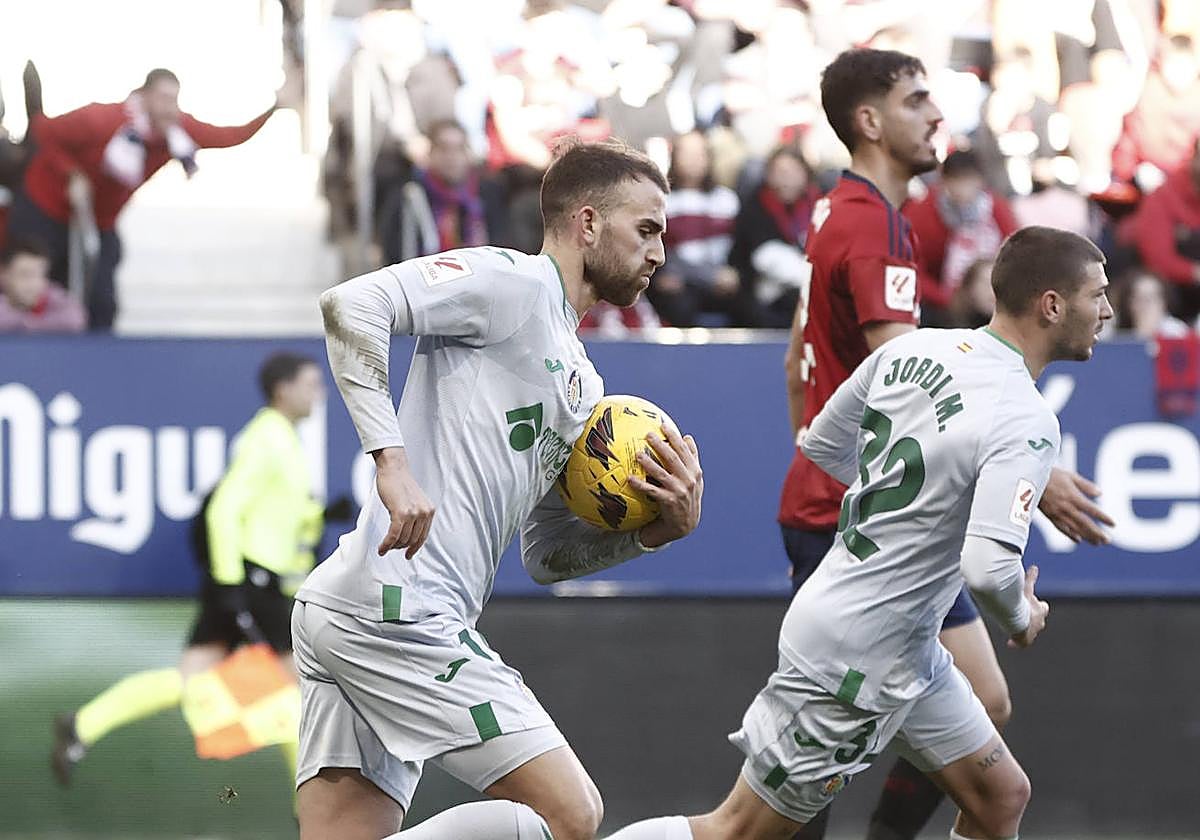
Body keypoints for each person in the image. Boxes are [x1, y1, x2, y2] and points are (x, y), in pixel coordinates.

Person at [607, 225, 1114, 840]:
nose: (1108, 310)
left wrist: (915, 503)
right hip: (855, 659)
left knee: (1000, 797)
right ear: (1052, 305)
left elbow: (821, 442)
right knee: (734, 831)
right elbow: (988, 568)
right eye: (1098, 294)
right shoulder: (1027, 417)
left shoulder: (914, 350)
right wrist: (1020, 617)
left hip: (905, 647)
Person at [294, 137, 704, 840]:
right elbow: (353, 305)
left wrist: (647, 534)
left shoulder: (583, 384)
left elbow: (546, 557)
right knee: (571, 815)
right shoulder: (510, 282)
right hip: (399, 609)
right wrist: (390, 462)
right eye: (647, 229)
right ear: (587, 223)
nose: (660, 251)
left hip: (355, 609)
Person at [770, 48, 1113, 840]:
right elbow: (917, 380)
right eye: (918, 100)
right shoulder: (875, 226)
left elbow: (798, 360)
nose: (936, 116)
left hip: (843, 500)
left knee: (968, 723)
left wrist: (821, 448)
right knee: (806, 765)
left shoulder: (840, 211)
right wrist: (1030, 464)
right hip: (856, 517)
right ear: (869, 122)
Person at [52, 352, 329, 792]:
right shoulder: (268, 439)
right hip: (253, 585)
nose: (320, 393)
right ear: (284, 389)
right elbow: (223, 511)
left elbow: (273, 514)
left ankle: (83, 724)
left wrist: (319, 514)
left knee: (193, 682)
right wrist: (230, 585)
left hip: (250, 583)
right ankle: (312, 820)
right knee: (301, 693)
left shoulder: (283, 439)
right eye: (312, 383)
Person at [8, 68, 278, 330]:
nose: (169, 108)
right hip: (44, 206)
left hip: (99, 221)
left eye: (174, 100)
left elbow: (229, 135)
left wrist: (275, 106)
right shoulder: (102, 119)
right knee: (39, 283)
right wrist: (71, 173)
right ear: (144, 95)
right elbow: (43, 131)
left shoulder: (175, 132)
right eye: (163, 98)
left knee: (102, 297)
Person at [647, 130, 754, 328]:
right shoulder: (660, 200)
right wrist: (660, 276)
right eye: (686, 154)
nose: (693, 161)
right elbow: (652, 245)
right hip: (678, 284)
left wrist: (734, 273)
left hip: (721, 282)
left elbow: (741, 246)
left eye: (699, 154)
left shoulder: (726, 200)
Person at [903, 150, 1018, 327]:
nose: (963, 189)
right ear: (944, 181)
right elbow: (912, 268)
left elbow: (1016, 253)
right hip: (941, 305)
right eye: (956, 180)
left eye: (969, 180)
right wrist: (944, 298)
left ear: (981, 180)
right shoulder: (921, 213)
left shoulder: (997, 209)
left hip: (992, 300)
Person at [377, 119, 507, 264]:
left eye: (459, 149)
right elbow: (395, 252)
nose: (452, 157)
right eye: (444, 149)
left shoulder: (486, 193)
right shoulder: (409, 195)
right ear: (430, 153)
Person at [727, 146, 821, 328]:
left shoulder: (820, 205)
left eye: (792, 172)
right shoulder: (755, 206)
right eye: (779, 172)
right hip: (759, 294)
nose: (785, 179)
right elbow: (764, 258)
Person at [1116, 137, 1200, 325]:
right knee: (1149, 287)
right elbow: (1158, 258)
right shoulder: (1165, 196)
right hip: (1176, 290)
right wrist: (1193, 272)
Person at [0, 236, 86, 332]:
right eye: (25, 275)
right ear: (3, 275)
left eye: (41, 275)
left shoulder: (52, 296)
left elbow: (75, 318)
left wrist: (30, 324)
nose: (34, 283)